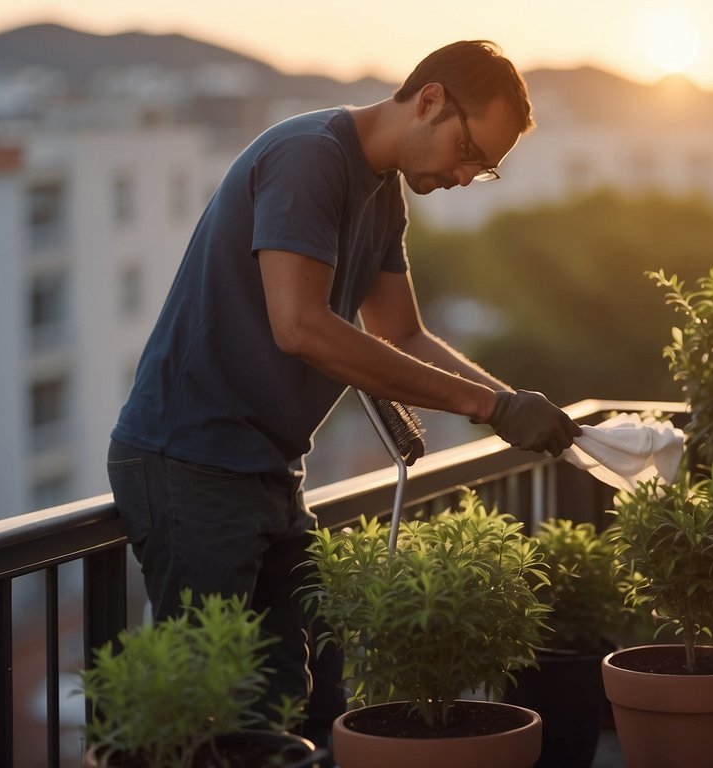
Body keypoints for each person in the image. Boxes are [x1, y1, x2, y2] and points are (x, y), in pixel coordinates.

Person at [106, 39, 581, 749]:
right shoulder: (310, 158)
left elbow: (402, 334)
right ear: (429, 100)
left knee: (315, 703)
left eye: (483, 169)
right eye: (469, 149)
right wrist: (487, 408)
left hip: (265, 469)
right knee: (210, 719)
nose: (464, 172)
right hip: (189, 462)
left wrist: (514, 404)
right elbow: (301, 326)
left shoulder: (384, 199)